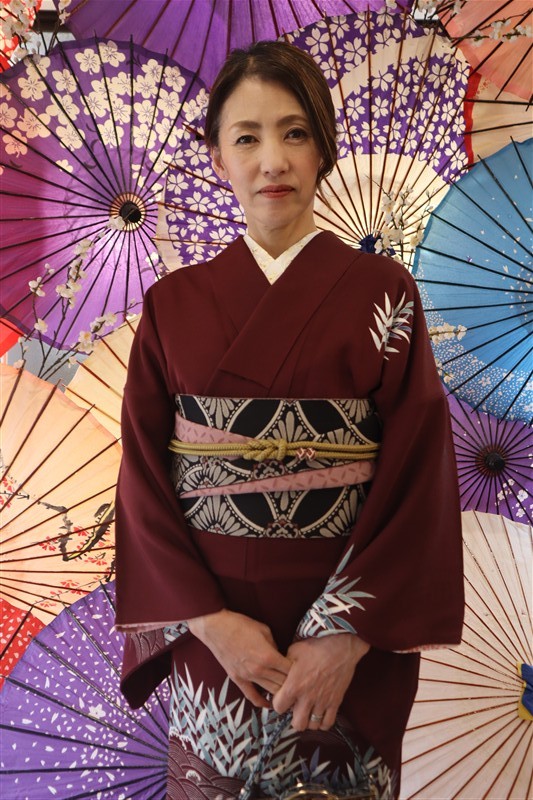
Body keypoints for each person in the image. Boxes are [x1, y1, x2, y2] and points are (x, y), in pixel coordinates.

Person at [115, 40, 464, 800]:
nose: (272, 160)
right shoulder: (172, 305)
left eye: (294, 133)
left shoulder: (385, 292)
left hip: (345, 640)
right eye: (246, 138)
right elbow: (143, 481)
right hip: (216, 638)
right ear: (217, 157)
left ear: (322, 149)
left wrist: (345, 637)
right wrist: (210, 623)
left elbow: (418, 479)